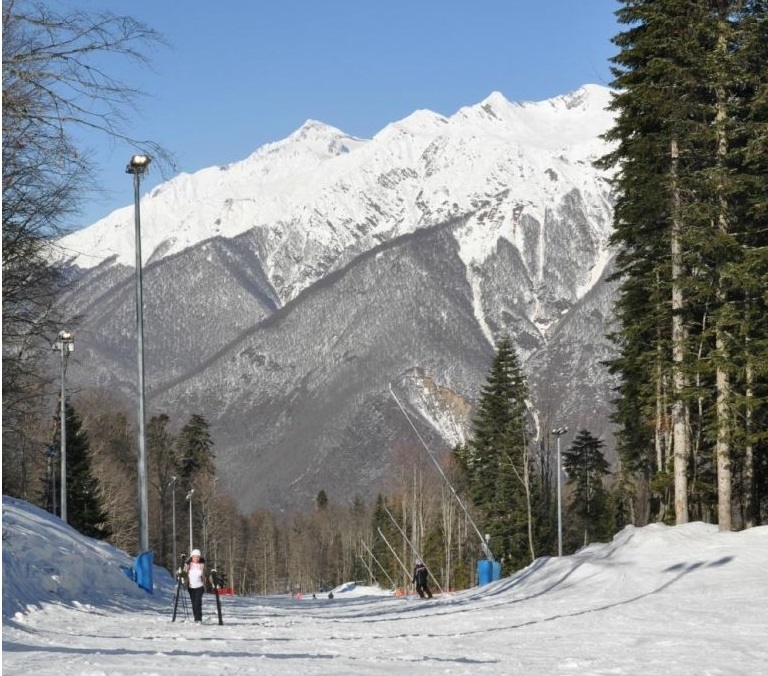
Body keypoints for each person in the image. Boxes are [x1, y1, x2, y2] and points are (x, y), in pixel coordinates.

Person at [182, 549, 209, 623]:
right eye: (194, 557)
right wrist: (180, 575)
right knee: (194, 603)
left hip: (200, 586)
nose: (196, 558)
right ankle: (196, 618)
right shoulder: (187, 564)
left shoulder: (202, 564)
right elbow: (183, 573)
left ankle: (198, 619)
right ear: (192, 557)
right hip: (191, 587)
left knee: (197, 602)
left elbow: (207, 574)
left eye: (197, 557)